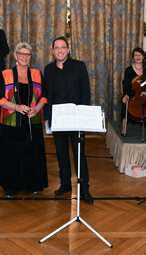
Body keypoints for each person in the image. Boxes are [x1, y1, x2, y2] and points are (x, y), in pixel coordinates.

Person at [43, 36, 93, 204]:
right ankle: (65, 184)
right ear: (52, 51)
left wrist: (83, 116)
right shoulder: (48, 69)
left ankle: (84, 188)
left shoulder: (79, 66)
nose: (60, 50)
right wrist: (47, 118)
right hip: (58, 119)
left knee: (80, 154)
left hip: (76, 117)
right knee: (61, 153)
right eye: (56, 48)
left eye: (63, 47)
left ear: (68, 49)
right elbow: (46, 96)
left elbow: (86, 92)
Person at [0, 42, 48, 197]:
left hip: (33, 119)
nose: (25, 57)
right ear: (15, 55)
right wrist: (16, 107)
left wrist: (37, 109)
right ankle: (11, 186)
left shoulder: (37, 74)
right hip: (11, 121)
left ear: (30, 57)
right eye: (21, 54)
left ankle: (33, 184)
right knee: (13, 153)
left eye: (28, 54)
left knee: (31, 153)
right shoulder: (5, 74)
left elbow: (44, 96)